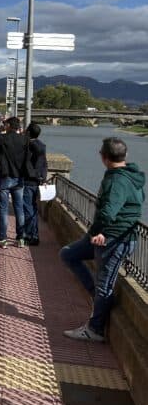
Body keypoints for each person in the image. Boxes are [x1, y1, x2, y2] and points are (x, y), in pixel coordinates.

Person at [60, 137, 144, 342]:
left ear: (103, 157)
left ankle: (95, 329)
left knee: (104, 285)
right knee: (68, 254)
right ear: (125, 155)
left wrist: (100, 233)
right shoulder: (129, 175)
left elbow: (109, 211)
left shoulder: (118, 180)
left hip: (113, 238)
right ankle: (98, 298)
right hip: (110, 235)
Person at [0, 117, 27, 248]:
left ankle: (3, 239)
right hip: (19, 178)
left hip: (4, 176)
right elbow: (28, 158)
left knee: (3, 209)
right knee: (19, 209)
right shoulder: (24, 139)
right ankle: (20, 238)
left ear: (10, 125)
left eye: (5, 124)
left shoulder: (0, 138)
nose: (4, 126)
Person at [22, 123, 47, 246]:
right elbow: (44, 164)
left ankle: (31, 236)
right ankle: (34, 234)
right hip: (38, 181)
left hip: (28, 181)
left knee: (28, 209)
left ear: (28, 132)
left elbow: (26, 163)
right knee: (33, 208)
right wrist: (43, 177)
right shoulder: (42, 146)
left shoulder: (29, 146)